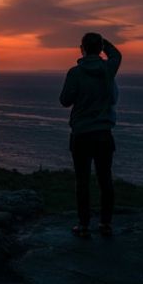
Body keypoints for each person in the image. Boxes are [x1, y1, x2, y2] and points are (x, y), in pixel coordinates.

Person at [59, 33, 121, 238]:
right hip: (103, 133)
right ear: (100, 48)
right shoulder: (108, 69)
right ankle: (106, 223)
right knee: (105, 179)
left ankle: (83, 224)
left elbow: (65, 100)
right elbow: (117, 55)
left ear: (82, 48)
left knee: (82, 181)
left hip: (82, 133)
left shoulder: (75, 73)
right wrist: (104, 43)